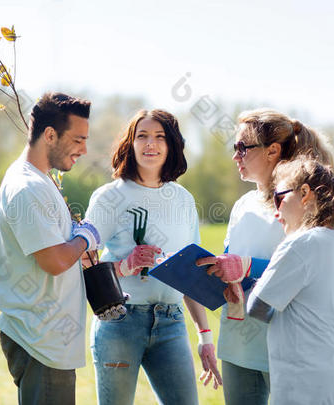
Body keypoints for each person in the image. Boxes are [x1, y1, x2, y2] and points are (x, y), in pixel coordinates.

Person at [195, 108, 334, 405]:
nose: (235, 156)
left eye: (242, 147)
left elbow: (310, 269)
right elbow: (233, 264)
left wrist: (245, 268)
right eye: (235, 148)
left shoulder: (302, 204)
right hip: (238, 341)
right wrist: (223, 276)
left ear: (273, 150)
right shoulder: (242, 205)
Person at [84, 109, 221, 405]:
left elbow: (190, 272)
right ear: (130, 144)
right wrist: (126, 265)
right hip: (120, 320)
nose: (151, 144)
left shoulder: (183, 200)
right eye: (142, 136)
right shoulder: (109, 197)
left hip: (171, 322)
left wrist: (205, 337)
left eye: (160, 137)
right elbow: (85, 265)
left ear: (171, 145)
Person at [0, 92, 100, 404]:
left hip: (48, 342)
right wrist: (86, 237)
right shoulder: (28, 187)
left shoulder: (41, 180)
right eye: (78, 139)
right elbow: (53, 261)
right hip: (41, 342)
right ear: (50, 135)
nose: (84, 149)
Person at [246, 157, 334, 404]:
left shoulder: (299, 244)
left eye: (279, 198)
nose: (276, 212)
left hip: (300, 382)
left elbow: (257, 307)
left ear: (305, 193)